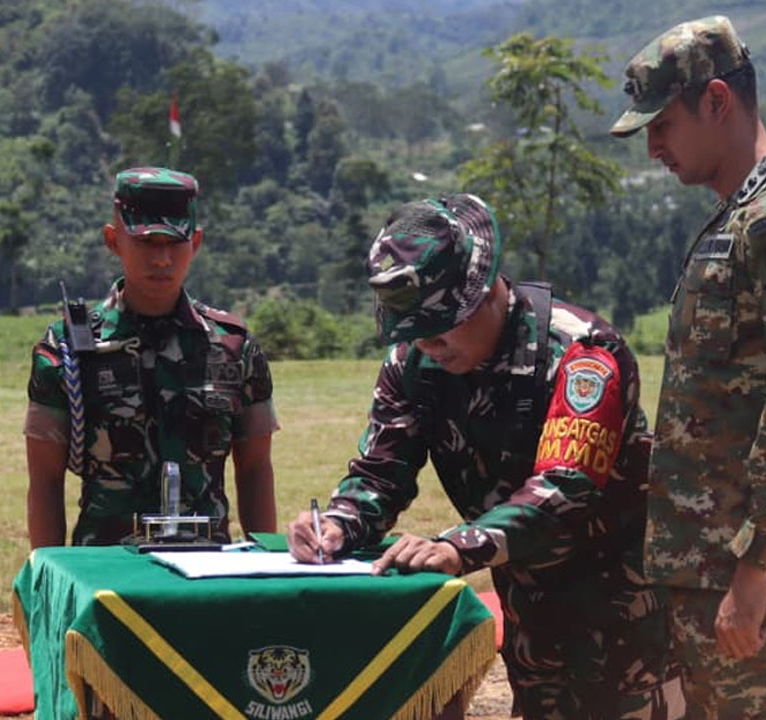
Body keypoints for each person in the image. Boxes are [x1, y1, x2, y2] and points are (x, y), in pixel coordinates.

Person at [288, 194, 683, 720]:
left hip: (625, 607)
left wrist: (459, 546)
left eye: (439, 323)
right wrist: (338, 524)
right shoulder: (413, 364)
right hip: (529, 613)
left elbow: (563, 488)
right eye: (411, 330)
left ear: (488, 291)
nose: (427, 344)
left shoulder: (583, 353)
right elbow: (383, 470)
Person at [609, 16, 766, 720]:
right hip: (708, 561)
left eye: (662, 125)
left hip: (753, 571)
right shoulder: (742, 217)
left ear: (717, 101)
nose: (653, 147)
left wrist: (755, 568)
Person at [24, 167, 278, 550]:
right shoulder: (67, 349)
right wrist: (49, 573)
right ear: (113, 241)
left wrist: (266, 562)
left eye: (174, 244)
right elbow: (45, 479)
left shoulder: (233, 347)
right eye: (147, 243)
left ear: (195, 243)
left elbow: (256, 469)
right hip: (105, 569)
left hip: (209, 570)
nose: (161, 259)